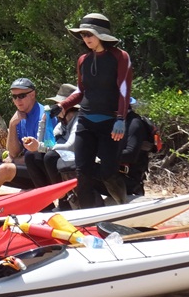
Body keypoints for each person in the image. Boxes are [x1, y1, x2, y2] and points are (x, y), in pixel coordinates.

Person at [57, 13, 133, 207]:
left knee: (108, 172)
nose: (86, 38)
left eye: (89, 34)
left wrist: (120, 119)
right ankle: (87, 216)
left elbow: (124, 90)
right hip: (86, 121)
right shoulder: (83, 60)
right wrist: (63, 105)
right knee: (83, 173)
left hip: (110, 122)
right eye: (83, 35)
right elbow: (82, 91)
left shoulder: (120, 56)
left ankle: (122, 203)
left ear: (101, 34)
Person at [24, 83, 80, 186]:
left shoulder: (79, 121)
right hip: (64, 161)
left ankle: (63, 198)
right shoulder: (61, 125)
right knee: (31, 155)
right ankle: (46, 199)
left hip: (79, 160)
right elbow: (43, 143)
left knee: (50, 156)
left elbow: (70, 147)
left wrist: (40, 146)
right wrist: (43, 122)